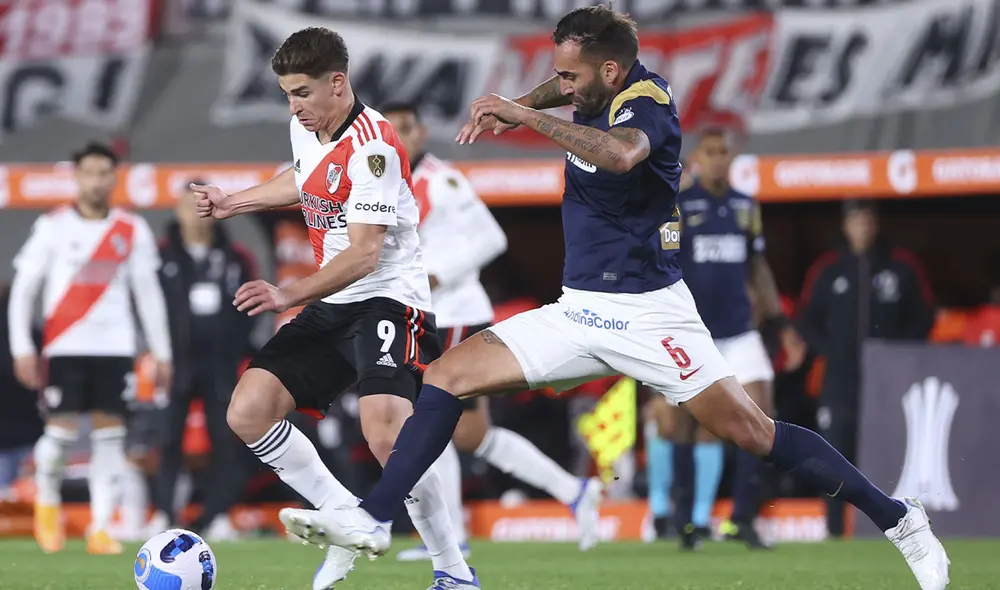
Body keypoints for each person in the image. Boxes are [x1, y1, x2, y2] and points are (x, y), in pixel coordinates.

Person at [282, 7, 950, 590]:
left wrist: (524, 116)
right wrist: (527, 101)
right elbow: (567, 84)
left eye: (570, 80)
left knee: (754, 433)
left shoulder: (647, 106)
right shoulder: (597, 80)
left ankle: (899, 519)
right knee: (448, 376)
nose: (560, 89)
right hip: (578, 311)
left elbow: (621, 156)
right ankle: (375, 518)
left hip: (651, 314)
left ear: (609, 74)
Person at [191, 27, 478, 590]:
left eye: (301, 92)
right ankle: (347, 515)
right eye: (287, 94)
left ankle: (453, 571)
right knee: (248, 410)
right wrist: (235, 201)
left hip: (390, 301)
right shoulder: (307, 128)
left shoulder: (375, 145)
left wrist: (286, 293)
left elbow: (367, 255)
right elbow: (305, 180)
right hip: (334, 301)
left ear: (338, 83)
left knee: (387, 434)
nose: (294, 105)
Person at [381, 101, 603, 560]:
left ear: (422, 132)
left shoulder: (441, 180)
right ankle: (576, 492)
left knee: (430, 418)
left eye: (408, 127)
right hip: (433, 313)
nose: (401, 136)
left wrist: (438, 275)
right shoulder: (390, 183)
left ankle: (453, 537)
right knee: (471, 435)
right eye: (392, 129)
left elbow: (491, 238)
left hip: (456, 312)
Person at [7, 142, 173, 555]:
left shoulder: (130, 228)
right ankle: (47, 510)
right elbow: (24, 289)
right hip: (65, 345)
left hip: (115, 347)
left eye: (104, 173)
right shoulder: (53, 226)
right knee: (60, 435)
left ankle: (100, 528)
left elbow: (148, 293)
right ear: (76, 177)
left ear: (114, 178)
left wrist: (161, 351)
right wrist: (21, 347)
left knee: (111, 437)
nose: (97, 181)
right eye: (89, 172)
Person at [652, 128, 808, 550]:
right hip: (692, 334)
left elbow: (758, 266)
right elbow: (661, 264)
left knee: (763, 417)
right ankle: (685, 522)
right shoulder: (679, 206)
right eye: (711, 152)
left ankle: (743, 519)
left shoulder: (745, 206)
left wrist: (779, 324)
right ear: (697, 158)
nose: (719, 159)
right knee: (684, 423)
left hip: (740, 332)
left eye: (725, 152)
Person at [798, 200, 935, 538]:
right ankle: (832, 528)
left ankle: (889, 527)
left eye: (868, 221)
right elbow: (805, 318)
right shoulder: (828, 268)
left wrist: (898, 353)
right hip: (839, 378)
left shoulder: (901, 267)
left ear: (876, 225)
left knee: (884, 449)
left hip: (888, 378)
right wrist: (828, 350)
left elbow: (925, 315)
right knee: (832, 451)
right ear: (846, 226)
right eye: (856, 221)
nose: (863, 228)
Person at [148, 182, 259, 540]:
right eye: (187, 206)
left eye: (201, 206)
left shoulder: (236, 257)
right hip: (174, 362)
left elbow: (252, 304)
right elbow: (146, 305)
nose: (195, 215)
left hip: (221, 363)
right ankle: (163, 513)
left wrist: (236, 350)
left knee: (224, 439)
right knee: (168, 439)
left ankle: (219, 515)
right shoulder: (159, 256)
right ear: (177, 211)